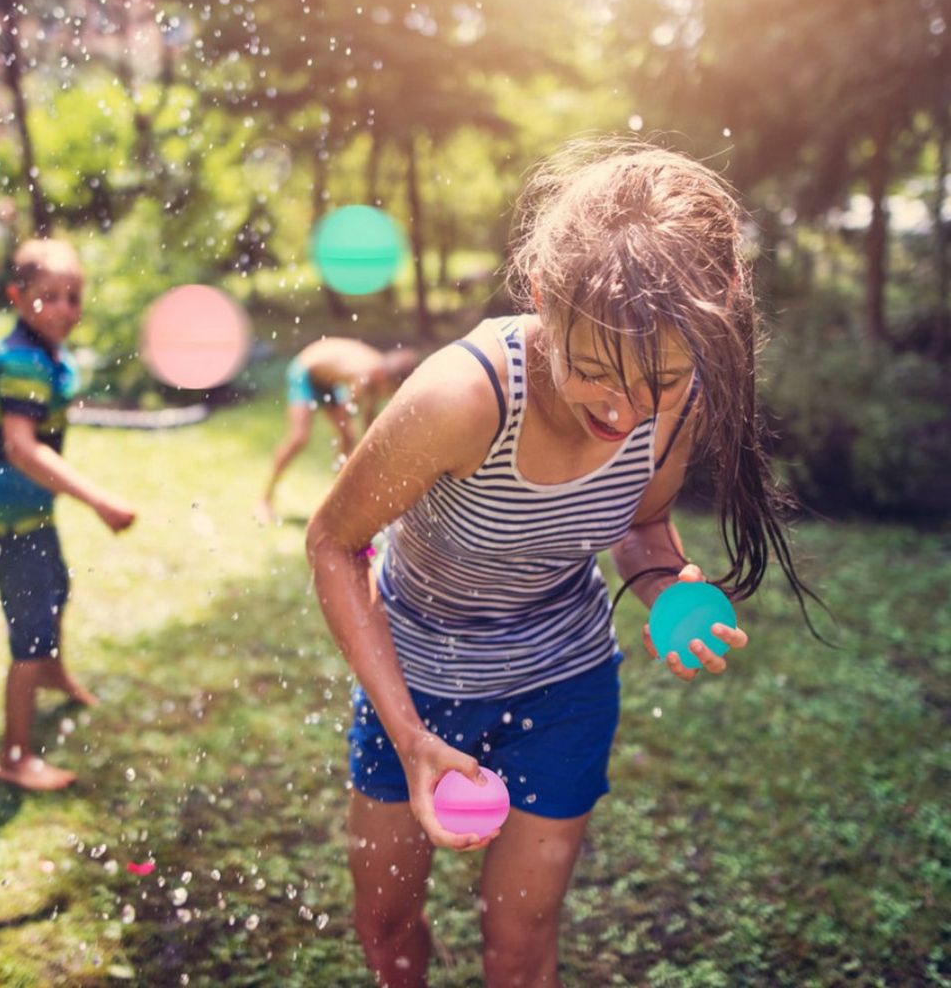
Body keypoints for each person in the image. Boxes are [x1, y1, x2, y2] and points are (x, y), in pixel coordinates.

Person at [305, 141, 819, 987]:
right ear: (542, 299)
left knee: (520, 947)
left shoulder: (678, 396)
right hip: (418, 683)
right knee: (387, 926)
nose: (622, 413)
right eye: (591, 374)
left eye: (657, 382)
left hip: (561, 685)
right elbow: (333, 540)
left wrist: (663, 587)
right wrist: (409, 736)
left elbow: (645, 528)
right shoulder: (460, 399)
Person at [0, 238, 136, 792]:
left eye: (73, 296)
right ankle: (14, 755)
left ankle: (54, 671)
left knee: (56, 588)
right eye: (49, 297)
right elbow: (21, 446)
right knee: (31, 629)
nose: (64, 308)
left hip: (25, 513)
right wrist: (100, 500)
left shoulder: (37, 351)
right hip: (10, 518)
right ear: (18, 297)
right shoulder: (21, 361)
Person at [256, 337, 419, 523]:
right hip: (305, 372)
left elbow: (369, 422)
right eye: (390, 391)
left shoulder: (379, 373)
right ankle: (265, 500)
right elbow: (353, 412)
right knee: (299, 438)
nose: (389, 396)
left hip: (328, 382)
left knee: (347, 437)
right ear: (382, 377)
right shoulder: (366, 375)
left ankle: (336, 502)